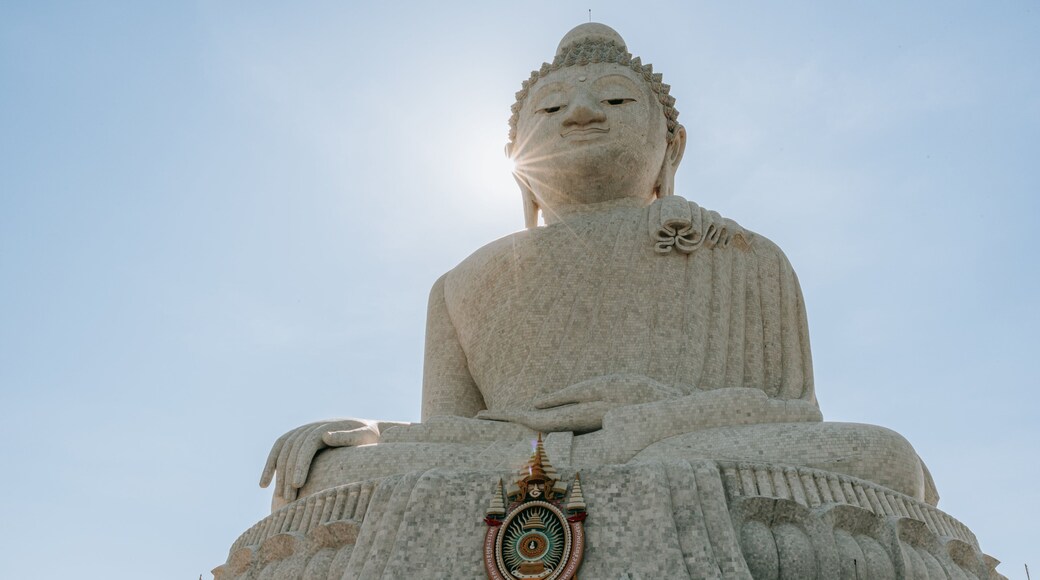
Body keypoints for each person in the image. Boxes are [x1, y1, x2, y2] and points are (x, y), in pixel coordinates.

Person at [260, 23, 935, 510]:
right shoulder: (463, 282)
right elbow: (449, 436)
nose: (580, 114)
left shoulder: (741, 253)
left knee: (885, 458)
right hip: (510, 460)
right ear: (518, 160)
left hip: (675, 444)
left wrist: (645, 421)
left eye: (614, 100)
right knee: (325, 475)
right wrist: (376, 434)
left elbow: (792, 416)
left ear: (671, 146)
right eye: (551, 109)